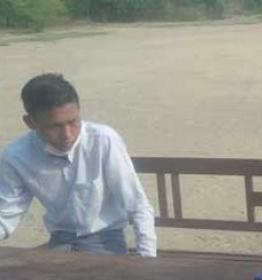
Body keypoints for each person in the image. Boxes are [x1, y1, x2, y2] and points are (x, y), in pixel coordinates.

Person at [0, 73, 157, 257]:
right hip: (59, 242)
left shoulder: (103, 141)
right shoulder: (17, 156)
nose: (67, 134)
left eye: (73, 122)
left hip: (106, 242)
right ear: (30, 123)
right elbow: (5, 214)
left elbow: (138, 205)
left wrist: (147, 260)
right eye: (54, 126)